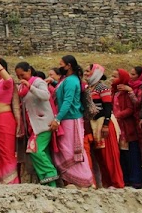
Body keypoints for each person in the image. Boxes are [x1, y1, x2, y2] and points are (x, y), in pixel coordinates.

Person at [13, 61, 59, 187]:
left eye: (22, 75)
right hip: (33, 126)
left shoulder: (38, 81)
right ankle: (50, 183)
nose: (21, 78)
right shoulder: (22, 87)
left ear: (29, 71)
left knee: (34, 150)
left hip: (44, 124)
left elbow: (45, 95)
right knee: (42, 152)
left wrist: (30, 87)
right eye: (18, 76)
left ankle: (50, 174)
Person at [50, 55, 93, 189]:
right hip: (66, 119)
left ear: (68, 65)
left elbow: (68, 101)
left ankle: (82, 180)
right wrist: (52, 82)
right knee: (65, 148)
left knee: (72, 151)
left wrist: (57, 119)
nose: (60, 66)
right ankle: (72, 181)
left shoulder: (71, 81)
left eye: (61, 64)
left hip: (71, 119)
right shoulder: (67, 80)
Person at [84, 64, 124, 188]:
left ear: (95, 73)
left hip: (104, 123)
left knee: (110, 155)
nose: (85, 73)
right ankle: (107, 183)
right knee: (100, 155)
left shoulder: (102, 87)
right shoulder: (89, 88)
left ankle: (117, 183)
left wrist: (106, 124)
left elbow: (107, 107)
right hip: (94, 123)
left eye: (87, 71)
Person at [0, 57, 20, 185]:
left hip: (4, 121)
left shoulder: (6, 83)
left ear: (3, 68)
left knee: (6, 152)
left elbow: (9, 79)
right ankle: (0, 181)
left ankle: (11, 182)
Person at [113, 69, 142, 188]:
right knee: (123, 154)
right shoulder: (115, 92)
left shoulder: (127, 93)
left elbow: (132, 108)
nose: (112, 79)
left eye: (115, 77)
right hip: (119, 127)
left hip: (127, 128)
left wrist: (117, 116)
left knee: (132, 154)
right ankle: (126, 178)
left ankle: (136, 180)